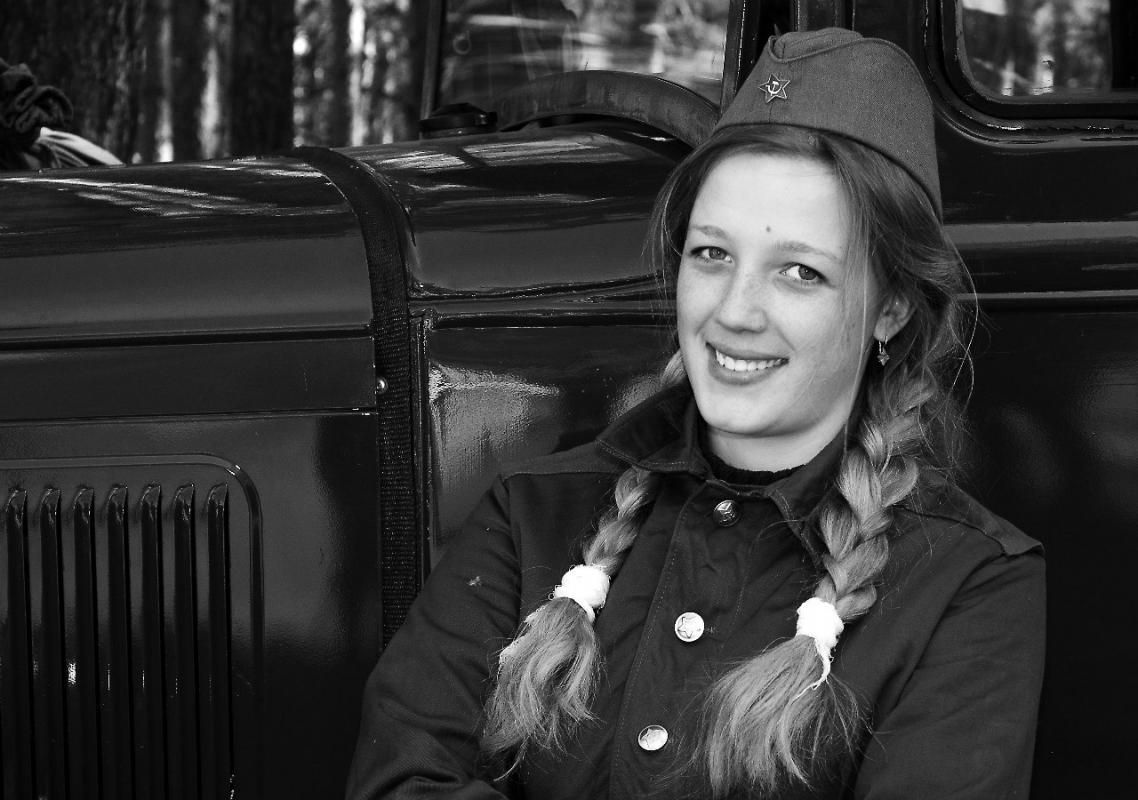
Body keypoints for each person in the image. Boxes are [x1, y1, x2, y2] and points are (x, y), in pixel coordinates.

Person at [346, 28, 1045, 799]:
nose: (734, 312)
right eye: (712, 254)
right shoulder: (532, 515)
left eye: (800, 272)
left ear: (893, 310)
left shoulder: (967, 584)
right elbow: (401, 781)